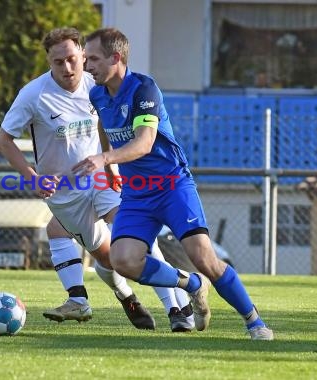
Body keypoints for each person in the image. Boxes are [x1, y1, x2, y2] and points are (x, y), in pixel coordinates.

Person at [73, 28, 274, 340]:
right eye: (86, 59)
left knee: (204, 257)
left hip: (171, 186)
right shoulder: (98, 94)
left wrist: (105, 160)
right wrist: (110, 165)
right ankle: (192, 285)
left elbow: (144, 143)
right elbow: (103, 122)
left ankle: (255, 321)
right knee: (122, 259)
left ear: (116, 57)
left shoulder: (143, 89)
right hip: (137, 192)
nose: (87, 66)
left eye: (93, 59)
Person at [0, 27, 194, 332]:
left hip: (101, 180)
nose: (67, 67)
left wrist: (109, 163)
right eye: (57, 62)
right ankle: (125, 295)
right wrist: (32, 178)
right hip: (63, 194)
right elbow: (4, 140)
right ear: (48, 62)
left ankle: (177, 309)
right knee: (110, 257)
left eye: (73, 59)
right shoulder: (33, 95)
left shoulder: (96, 82)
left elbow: (105, 120)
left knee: (137, 237)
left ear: (82, 54)